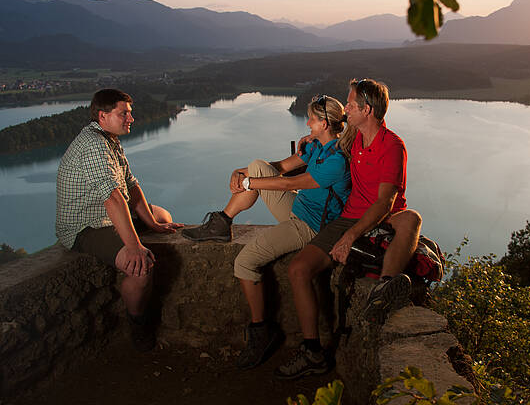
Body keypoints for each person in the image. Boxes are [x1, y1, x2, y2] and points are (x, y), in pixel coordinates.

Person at [181, 95, 352, 370]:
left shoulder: (336, 160)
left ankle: (261, 330)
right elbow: (281, 168)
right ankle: (223, 222)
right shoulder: (315, 146)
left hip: (311, 227)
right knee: (259, 164)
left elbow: (290, 183)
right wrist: (242, 172)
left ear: (324, 123)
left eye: (311, 119)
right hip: (299, 207)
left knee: (245, 263)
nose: (307, 122)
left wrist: (248, 181)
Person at [275, 78, 422, 381]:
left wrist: (351, 236)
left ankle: (385, 288)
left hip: (383, 217)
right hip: (348, 215)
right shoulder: (353, 136)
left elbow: (384, 203)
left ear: (367, 110)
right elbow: (328, 142)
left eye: (351, 105)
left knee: (412, 218)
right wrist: (309, 139)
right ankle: (312, 351)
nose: (346, 110)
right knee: (298, 270)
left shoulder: (392, 145)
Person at [55, 88, 183, 352]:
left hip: (107, 215)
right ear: (102, 115)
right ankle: (138, 324)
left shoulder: (109, 139)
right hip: (86, 226)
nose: (131, 118)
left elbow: (131, 186)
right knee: (141, 267)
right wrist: (134, 246)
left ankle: (146, 229)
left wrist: (154, 225)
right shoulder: (93, 144)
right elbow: (113, 198)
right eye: (123, 113)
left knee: (163, 216)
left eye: (130, 113)